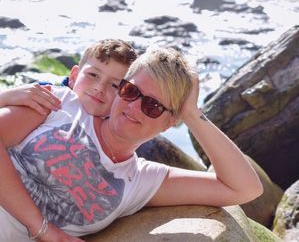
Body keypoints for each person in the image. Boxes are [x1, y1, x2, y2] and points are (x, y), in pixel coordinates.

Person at [0, 47, 263, 241]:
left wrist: (193, 115)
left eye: (152, 106)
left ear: (170, 122)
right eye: (130, 91)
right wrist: (43, 228)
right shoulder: (61, 104)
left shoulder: (141, 181)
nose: (134, 106)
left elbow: (244, 188)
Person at [0, 38, 137, 117]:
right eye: (93, 75)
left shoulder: (118, 126)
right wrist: (6, 97)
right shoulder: (46, 96)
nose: (99, 88)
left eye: (114, 85)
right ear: (74, 76)